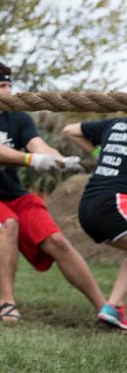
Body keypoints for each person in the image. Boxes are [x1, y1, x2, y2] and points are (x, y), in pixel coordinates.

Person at [0, 61, 103, 323]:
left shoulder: (18, 117)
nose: (9, 91)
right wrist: (30, 160)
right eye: (2, 85)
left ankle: (106, 307)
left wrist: (60, 159)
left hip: (14, 194)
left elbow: (38, 144)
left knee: (57, 241)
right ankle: (7, 302)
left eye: (10, 85)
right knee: (7, 224)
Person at [64, 117, 127, 330]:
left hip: (88, 207)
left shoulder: (115, 123)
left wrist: (97, 154)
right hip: (114, 204)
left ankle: (113, 307)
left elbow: (71, 129)